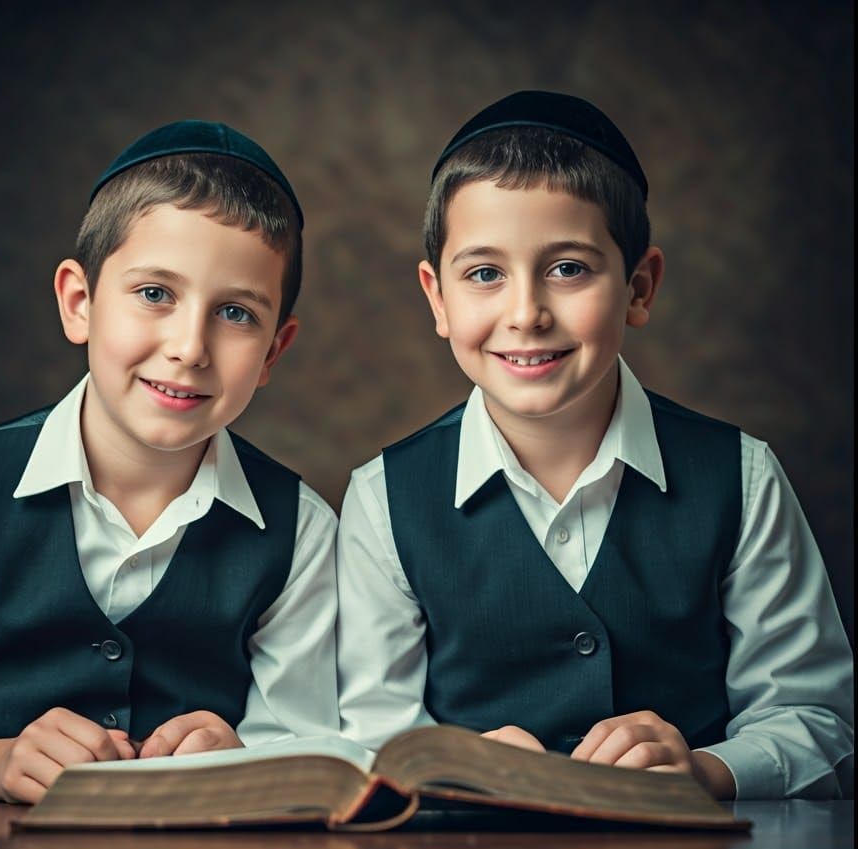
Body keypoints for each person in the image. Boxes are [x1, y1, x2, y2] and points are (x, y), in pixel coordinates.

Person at [335, 90, 853, 799]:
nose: (526, 313)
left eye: (568, 268)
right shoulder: (384, 498)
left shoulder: (743, 475)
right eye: (485, 274)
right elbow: (369, 733)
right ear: (438, 300)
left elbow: (817, 719)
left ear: (639, 288)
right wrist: (454, 765)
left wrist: (707, 770)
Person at [0, 120, 340, 802]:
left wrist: (246, 756)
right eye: (155, 293)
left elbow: (307, 742)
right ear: (80, 303)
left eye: (236, 313)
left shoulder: (301, 531)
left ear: (274, 353)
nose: (190, 347)